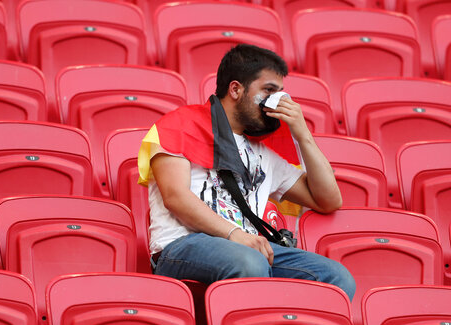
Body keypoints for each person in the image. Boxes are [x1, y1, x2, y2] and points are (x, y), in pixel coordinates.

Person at [137, 44, 355, 300]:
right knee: (251, 263)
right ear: (236, 89)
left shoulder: (265, 150)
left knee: (336, 278)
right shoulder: (180, 125)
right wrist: (235, 234)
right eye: (269, 91)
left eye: (281, 93)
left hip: (251, 249)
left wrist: (303, 134)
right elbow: (175, 197)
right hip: (182, 246)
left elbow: (328, 200)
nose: (278, 101)